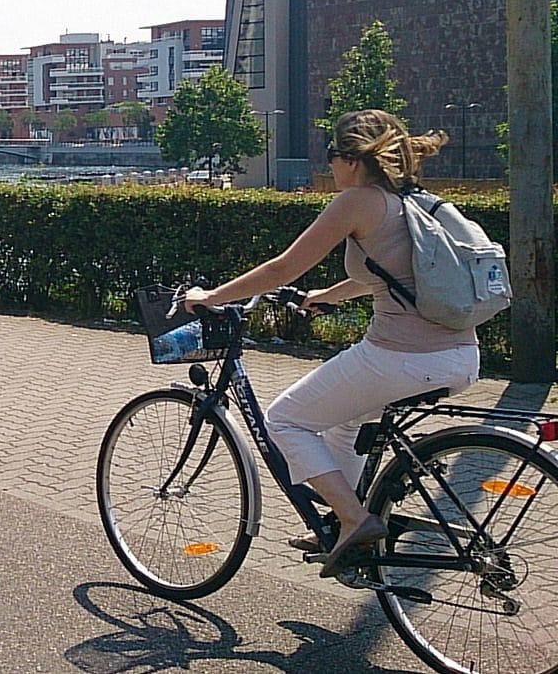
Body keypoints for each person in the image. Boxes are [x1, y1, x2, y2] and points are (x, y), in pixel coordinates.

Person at [182, 109, 477, 578]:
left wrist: (211, 297)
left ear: (352, 160)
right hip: (460, 356)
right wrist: (327, 296)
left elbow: (283, 267)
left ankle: (356, 520)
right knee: (344, 427)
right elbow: (394, 275)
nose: (331, 167)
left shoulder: (358, 201)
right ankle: (342, 524)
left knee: (286, 420)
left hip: (401, 358)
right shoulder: (412, 201)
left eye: (332, 156)